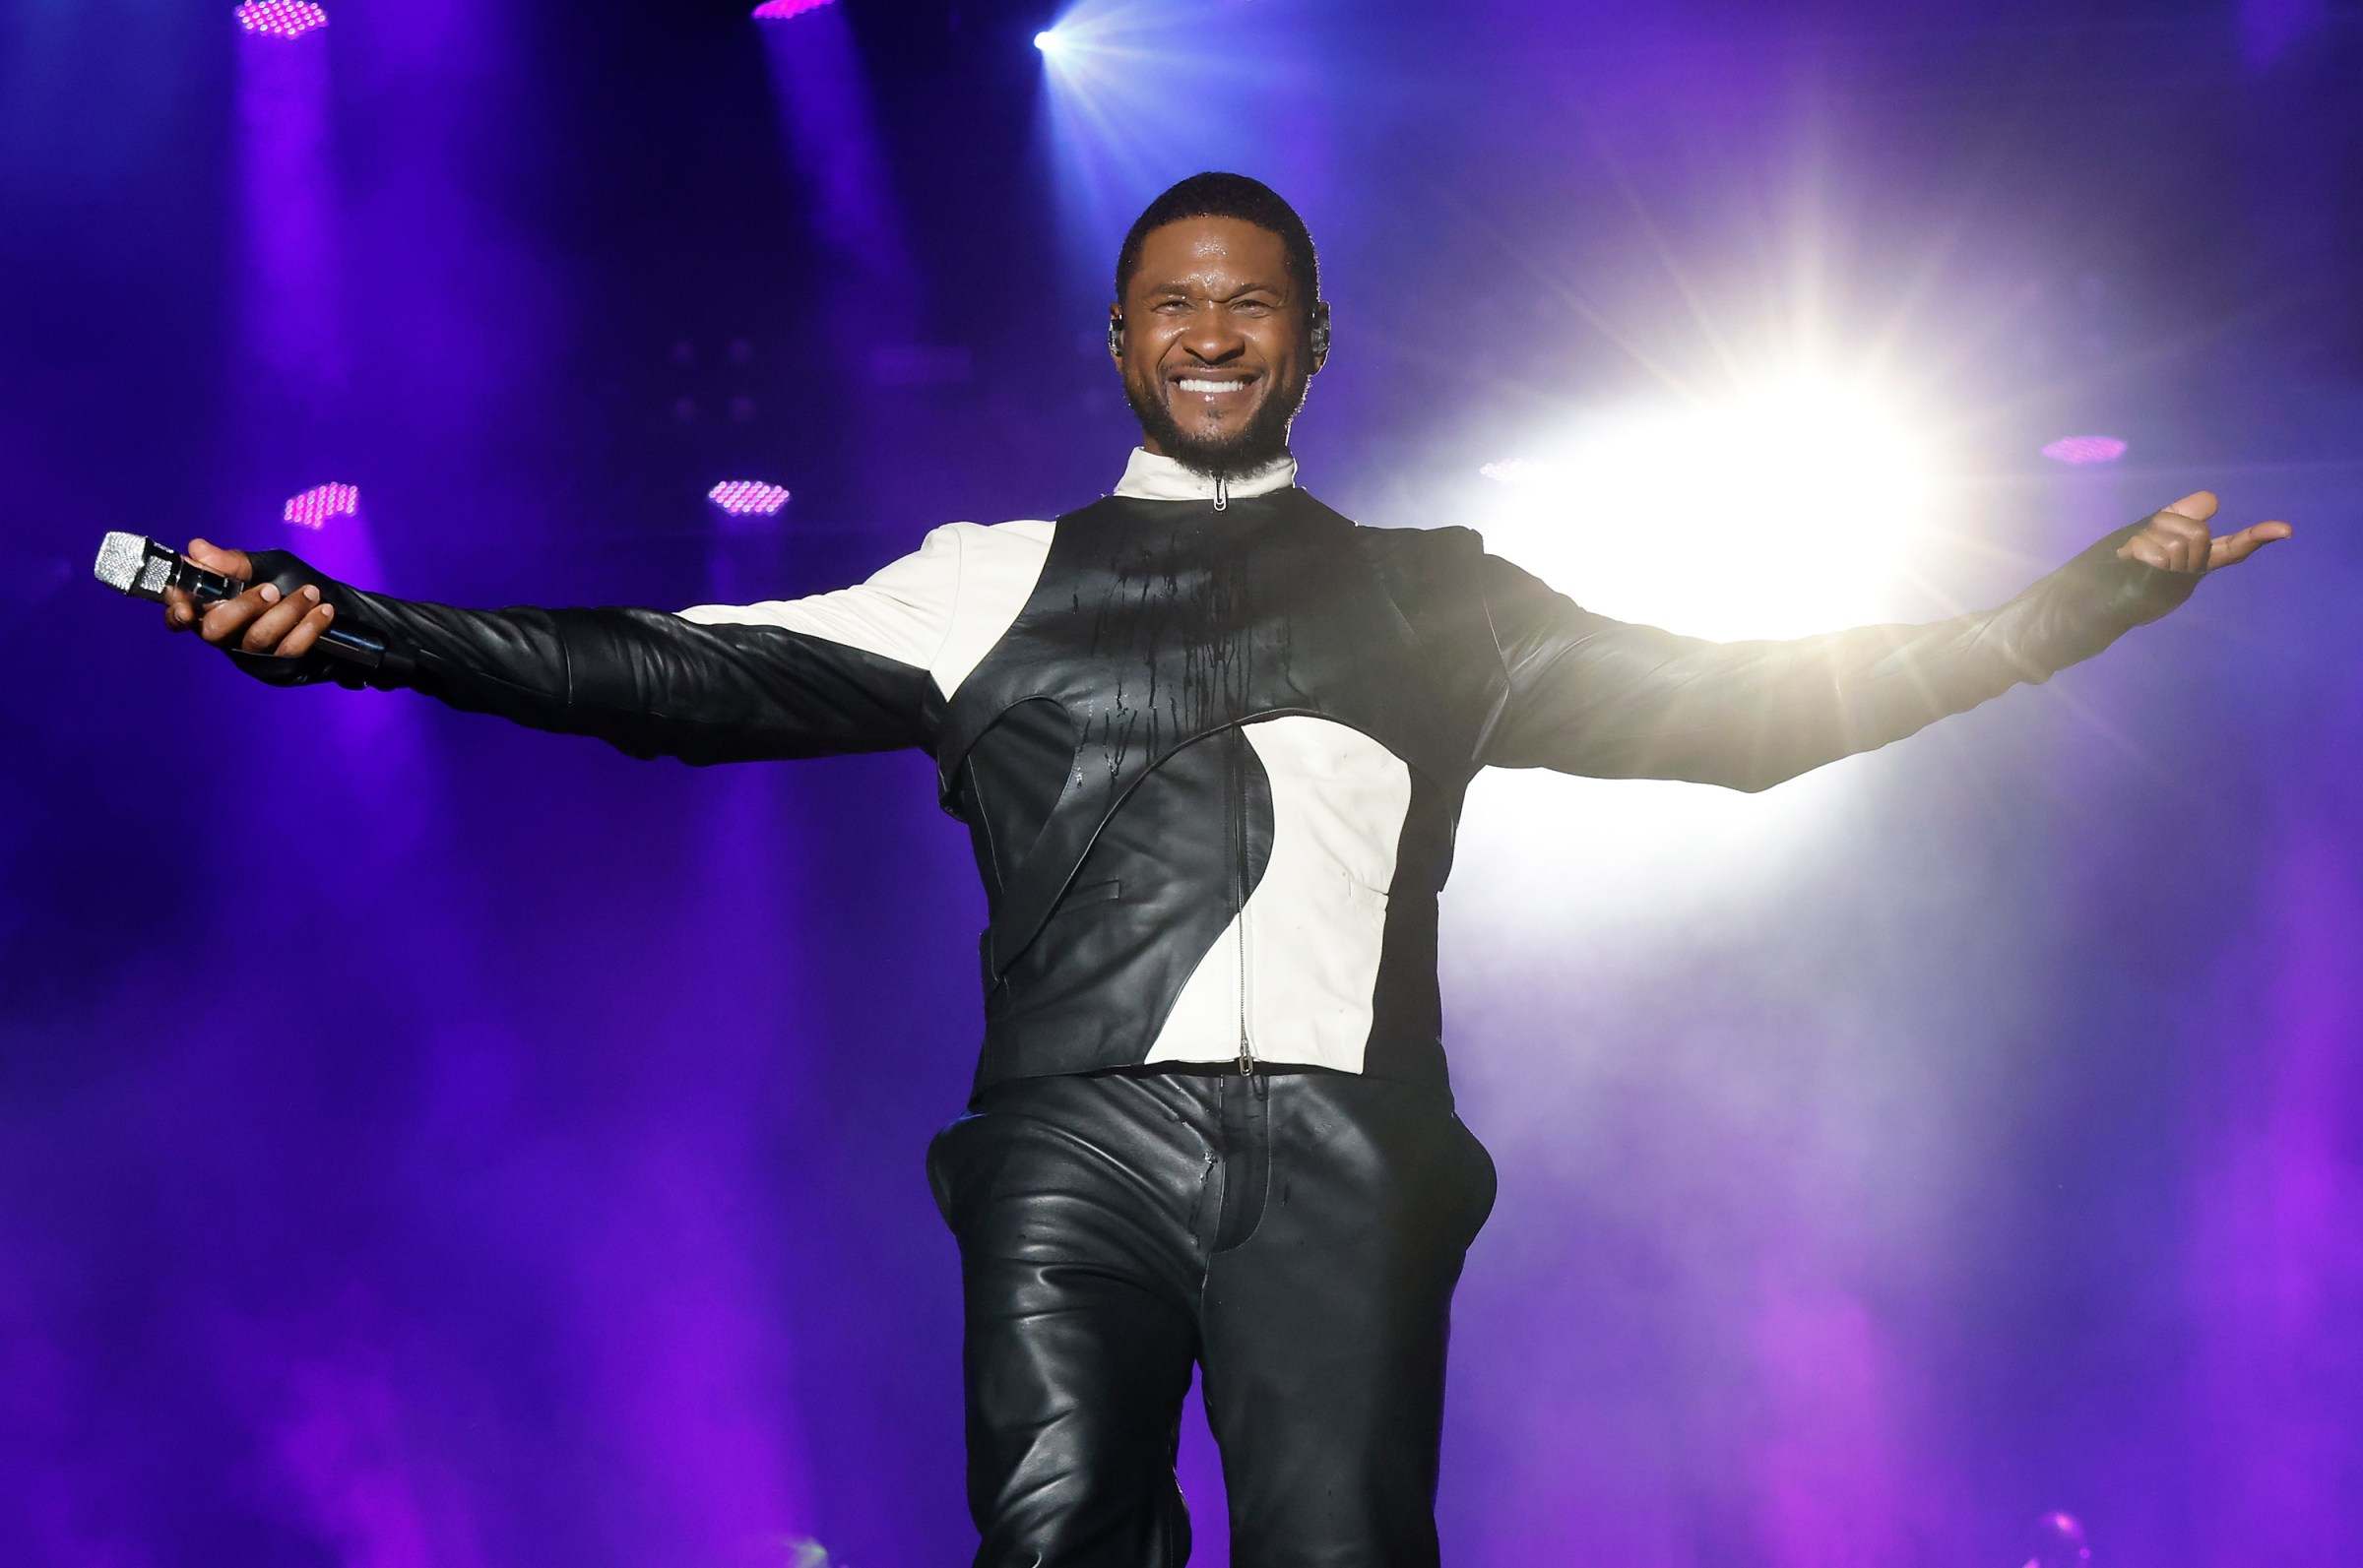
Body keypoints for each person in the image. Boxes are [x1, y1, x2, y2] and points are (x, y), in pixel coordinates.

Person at [161, 172, 2289, 1566]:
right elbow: (673, 671)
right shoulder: (986, 581)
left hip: (1344, 1152)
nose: (1209, 331)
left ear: (1313, 342)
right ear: (1118, 341)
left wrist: (2075, 605)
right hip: (1071, 1144)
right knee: (1054, 1542)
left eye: (1248, 304)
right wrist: (357, 628)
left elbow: (1754, 708)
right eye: (1172, 304)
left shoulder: (1443, 595)